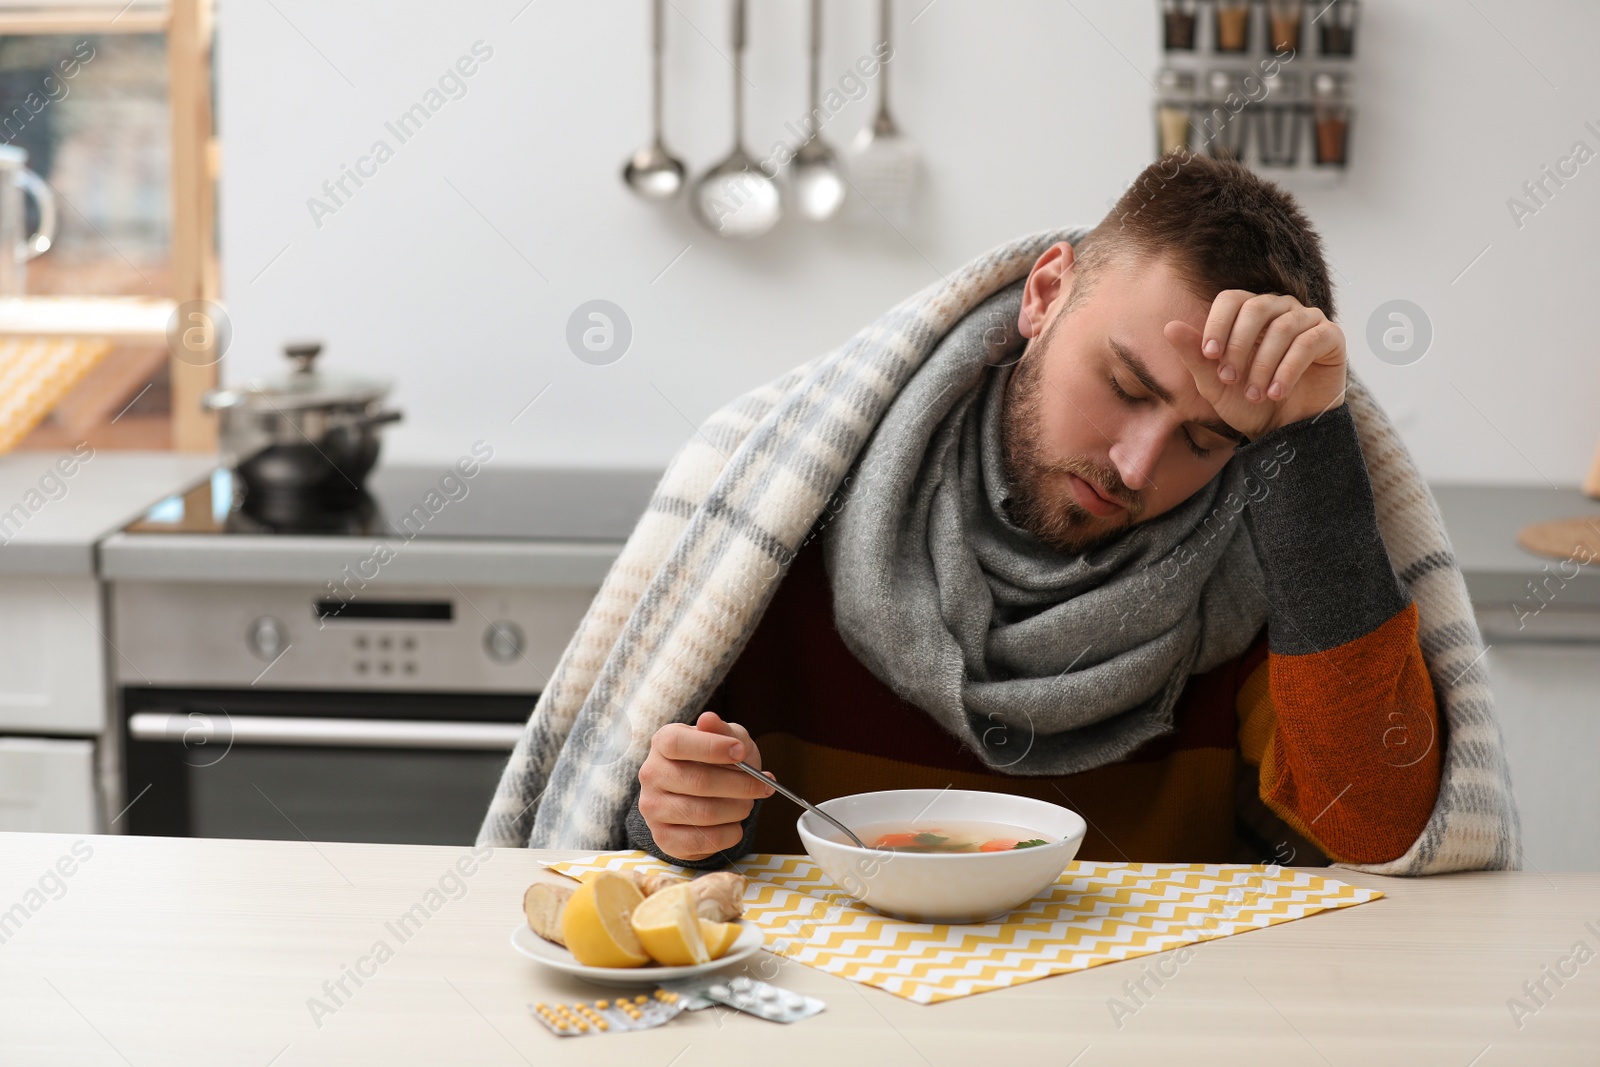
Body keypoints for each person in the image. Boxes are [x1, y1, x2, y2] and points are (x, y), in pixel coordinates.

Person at [626, 153, 1443, 870]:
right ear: (1046, 293)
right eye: (1125, 387)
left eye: (1205, 439)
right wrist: (681, 818)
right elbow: (638, 837)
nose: (1136, 466)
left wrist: (1310, 446)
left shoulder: (1275, 550)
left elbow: (1375, 827)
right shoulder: (787, 498)